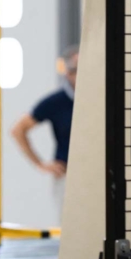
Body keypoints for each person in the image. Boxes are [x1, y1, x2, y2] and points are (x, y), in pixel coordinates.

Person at [10, 45, 78, 180]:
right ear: (69, 73)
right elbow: (18, 130)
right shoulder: (56, 102)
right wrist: (40, 164)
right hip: (67, 174)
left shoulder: (99, 99)